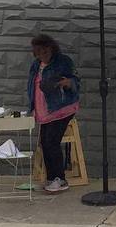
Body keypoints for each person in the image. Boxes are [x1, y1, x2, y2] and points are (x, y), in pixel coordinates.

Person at [27, 34, 80, 194]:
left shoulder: (63, 61)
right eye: (39, 53)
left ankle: (60, 178)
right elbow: (32, 85)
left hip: (61, 108)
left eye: (45, 52)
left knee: (52, 141)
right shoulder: (36, 65)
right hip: (43, 110)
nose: (43, 55)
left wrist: (67, 83)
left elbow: (76, 80)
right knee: (44, 143)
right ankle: (51, 178)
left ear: (51, 49)